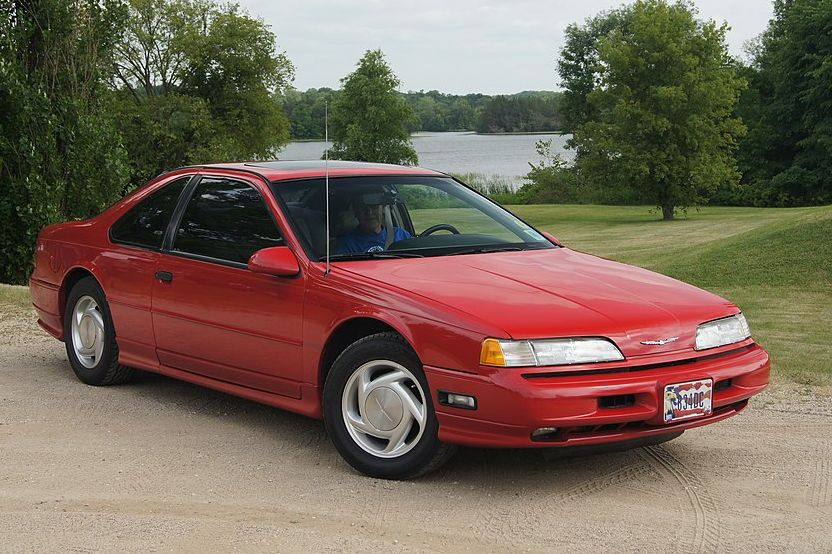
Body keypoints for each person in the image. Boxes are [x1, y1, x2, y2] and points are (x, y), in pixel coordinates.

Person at [336, 189, 411, 254]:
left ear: (383, 209)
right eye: (362, 207)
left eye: (374, 206)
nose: (369, 212)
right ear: (356, 212)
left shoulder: (402, 235)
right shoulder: (347, 244)